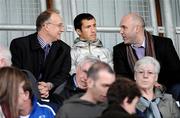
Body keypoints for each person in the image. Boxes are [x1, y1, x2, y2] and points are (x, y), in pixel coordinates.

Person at [113, 13, 180, 100]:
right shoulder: (119, 50)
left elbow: (176, 72)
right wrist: (142, 86)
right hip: (136, 92)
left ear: (136, 28)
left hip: (164, 89)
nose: (121, 31)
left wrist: (159, 85)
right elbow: (121, 78)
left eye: (124, 27)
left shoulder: (164, 44)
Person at [10, 9, 71, 99]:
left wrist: (48, 86)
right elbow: (17, 72)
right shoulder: (19, 45)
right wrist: (35, 88)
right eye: (59, 25)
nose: (62, 30)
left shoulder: (64, 49)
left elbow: (64, 75)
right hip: (23, 95)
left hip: (52, 96)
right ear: (46, 26)